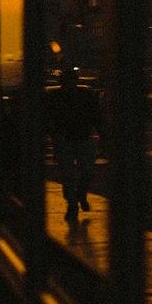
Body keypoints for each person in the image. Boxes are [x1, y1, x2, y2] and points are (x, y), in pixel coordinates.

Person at [47, 67, 100, 222]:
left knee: (81, 172)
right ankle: (74, 201)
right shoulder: (84, 95)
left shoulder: (58, 96)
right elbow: (96, 115)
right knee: (73, 173)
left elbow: (95, 115)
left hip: (75, 138)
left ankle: (77, 197)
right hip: (73, 138)